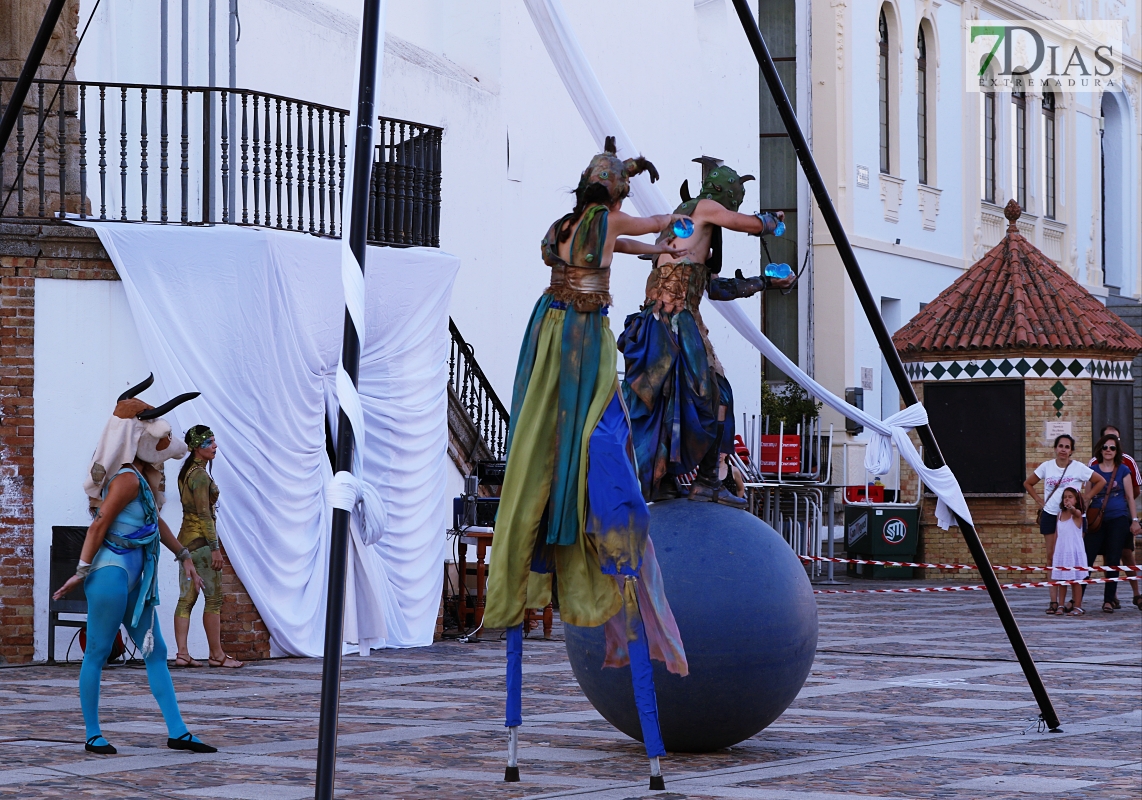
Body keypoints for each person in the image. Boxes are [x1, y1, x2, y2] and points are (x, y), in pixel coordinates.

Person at [484, 138, 688, 786]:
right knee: (595, 427)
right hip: (580, 342)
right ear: (613, 195)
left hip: (550, 334)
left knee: (546, 432)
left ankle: (555, 495)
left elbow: (618, 245)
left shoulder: (571, 226)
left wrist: (650, 249)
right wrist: (684, 221)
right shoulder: (603, 219)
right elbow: (640, 227)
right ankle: (582, 502)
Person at [52, 375, 216, 755]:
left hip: (135, 580)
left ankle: (178, 731)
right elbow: (99, 525)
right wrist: (80, 571)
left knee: (155, 652)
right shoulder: (126, 478)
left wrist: (184, 556)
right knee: (97, 651)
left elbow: (154, 523)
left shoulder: (140, 477)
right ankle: (93, 734)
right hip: (111, 574)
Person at [618, 163, 794, 506]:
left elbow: (713, 288)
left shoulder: (680, 226)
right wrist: (771, 220)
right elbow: (746, 224)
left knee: (671, 402)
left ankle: (666, 480)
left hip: (658, 322)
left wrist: (766, 282)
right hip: (677, 322)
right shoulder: (704, 207)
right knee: (717, 395)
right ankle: (707, 479)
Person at [172, 425, 242, 668]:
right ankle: (217, 654)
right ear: (196, 448)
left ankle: (182, 654)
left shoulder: (186, 473)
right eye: (209, 442)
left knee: (186, 600)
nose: (215, 446)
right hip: (201, 544)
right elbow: (204, 515)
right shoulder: (200, 476)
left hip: (185, 544)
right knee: (214, 600)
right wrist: (215, 548)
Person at [1024, 433, 1105, 615]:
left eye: (1067, 447)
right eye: (1060, 446)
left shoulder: (1078, 468)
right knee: (1052, 556)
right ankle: (1054, 601)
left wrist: (1086, 497)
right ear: (1055, 448)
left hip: (1073, 516)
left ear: (1071, 451)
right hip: (1052, 514)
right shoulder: (1047, 467)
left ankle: (1076, 602)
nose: (1063, 450)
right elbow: (1028, 483)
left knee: (1073, 556)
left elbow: (1101, 481)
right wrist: (1038, 500)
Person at [1088, 425, 1142, 610]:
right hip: (1097, 519)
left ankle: (1120, 597)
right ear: (1101, 445)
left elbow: (1133, 493)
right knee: (1090, 556)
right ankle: (1080, 600)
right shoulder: (1092, 466)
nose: (1109, 449)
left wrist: (1132, 518)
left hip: (1119, 517)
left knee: (1120, 555)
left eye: (1113, 445)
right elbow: (1088, 494)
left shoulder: (1126, 465)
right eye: (1106, 446)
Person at [1050, 488, 1088, 615]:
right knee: (1062, 580)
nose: (1067, 499)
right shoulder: (1060, 514)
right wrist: (1054, 550)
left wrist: (1071, 507)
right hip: (1062, 550)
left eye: (1070, 496)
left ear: (1076, 500)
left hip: (1073, 551)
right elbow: (1057, 533)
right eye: (1065, 497)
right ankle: (1060, 605)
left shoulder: (1077, 514)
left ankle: (1077, 606)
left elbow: (1075, 512)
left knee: (1075, 581)